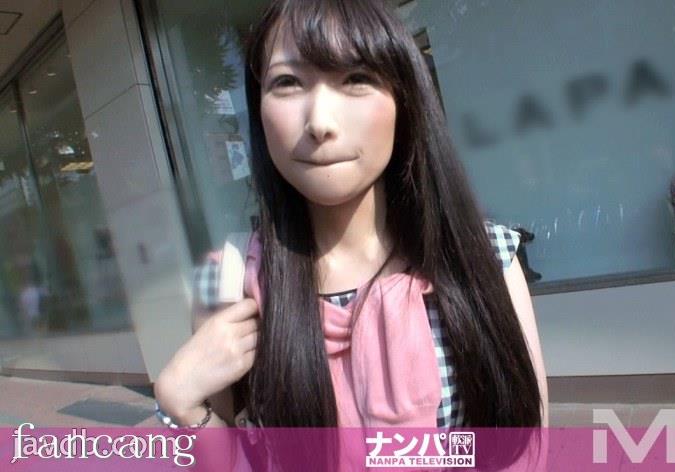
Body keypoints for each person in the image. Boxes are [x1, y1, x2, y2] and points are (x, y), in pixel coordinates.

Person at [154, 0, 547, 467]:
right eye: (288, 82)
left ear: (404, 100)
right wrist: (180, 404)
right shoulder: (227, 282)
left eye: (356, 78)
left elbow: (528, 452)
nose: (320, 122)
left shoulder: (486, 258)